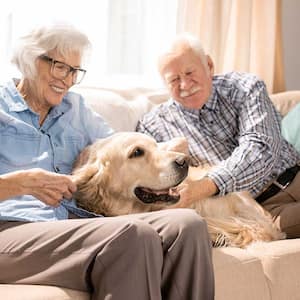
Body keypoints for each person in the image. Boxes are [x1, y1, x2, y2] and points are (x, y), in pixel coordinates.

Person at [0, 24, 214, 300]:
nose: (67, 79)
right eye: (60, 67)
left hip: (72, 224)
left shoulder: (76, 109)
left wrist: (163, 152)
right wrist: (21, 184)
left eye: (75, 71)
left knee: (187, 225)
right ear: (30, 60)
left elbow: (122, 150)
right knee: (133, 235)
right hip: (11, 227)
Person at [136, 34, 300, 238]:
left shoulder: (245, 88)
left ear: (209, 65)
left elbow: (261, 149)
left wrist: (204, 186)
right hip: (256, 210)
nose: (185, 85)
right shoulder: (153, 127)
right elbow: (150, 183)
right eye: (174, 80)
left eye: (189, 72)